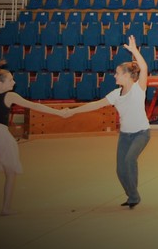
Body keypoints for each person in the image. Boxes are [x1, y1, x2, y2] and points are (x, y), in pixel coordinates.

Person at [0, 43, 67, 215]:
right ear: (1, 83)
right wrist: (58, 113)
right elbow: (34, 106)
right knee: (10, 172)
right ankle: (6, 208)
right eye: (10, 80)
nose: (14, 82)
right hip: (0, 135)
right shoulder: (9, 96)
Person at [65, 36, 152, 208]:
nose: (114, 76)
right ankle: (131, 196)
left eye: (117, 73)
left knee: (129, 160)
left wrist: (134, 51)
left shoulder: (138, 89)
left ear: (127, 75)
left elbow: (144, 68)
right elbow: (95, 105)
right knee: (120, 169)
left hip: (141, 133)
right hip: (125, 136)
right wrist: (73, 111)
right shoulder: (115, 94)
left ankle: (134, 196)